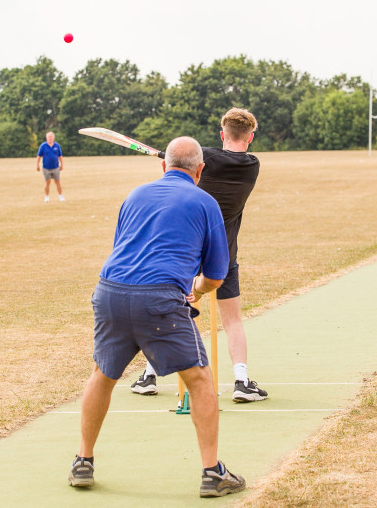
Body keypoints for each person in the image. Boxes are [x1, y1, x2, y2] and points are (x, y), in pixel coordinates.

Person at [68, 137, 246, 498]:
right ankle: (213, 472)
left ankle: (82, 462)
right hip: (159, 299)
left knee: (102, 374)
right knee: (199, 379)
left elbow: (122, 247)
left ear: (164, 166)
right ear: (200, 170)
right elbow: (216, 274)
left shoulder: (134, 195)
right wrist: (195, 288)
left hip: (109, 291)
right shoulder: (205, 202)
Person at [131, 108, 268, 403]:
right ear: (250, 138)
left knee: (172, 313)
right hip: (223, 255)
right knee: (232, 320)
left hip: (188, 254)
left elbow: (192, 156)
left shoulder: (205, 160)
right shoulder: (252, 165)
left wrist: (173, 160)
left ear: (222, 134)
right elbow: (207, 156)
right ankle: (242, 381)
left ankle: (149, 375)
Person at [36, 131, 65, 202]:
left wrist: (62, 164)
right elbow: (39, 156)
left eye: (51, 137)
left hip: (55, 167)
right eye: (49, 137)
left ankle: (60, 196)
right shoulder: (43, 146)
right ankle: (47, 197)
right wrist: (37, 165)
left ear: (53, 137)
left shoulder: (57, 146)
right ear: (46, 138)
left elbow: (60, 156)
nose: (50, 138)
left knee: (57, 181)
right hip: (46, 167)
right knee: (47, 182)